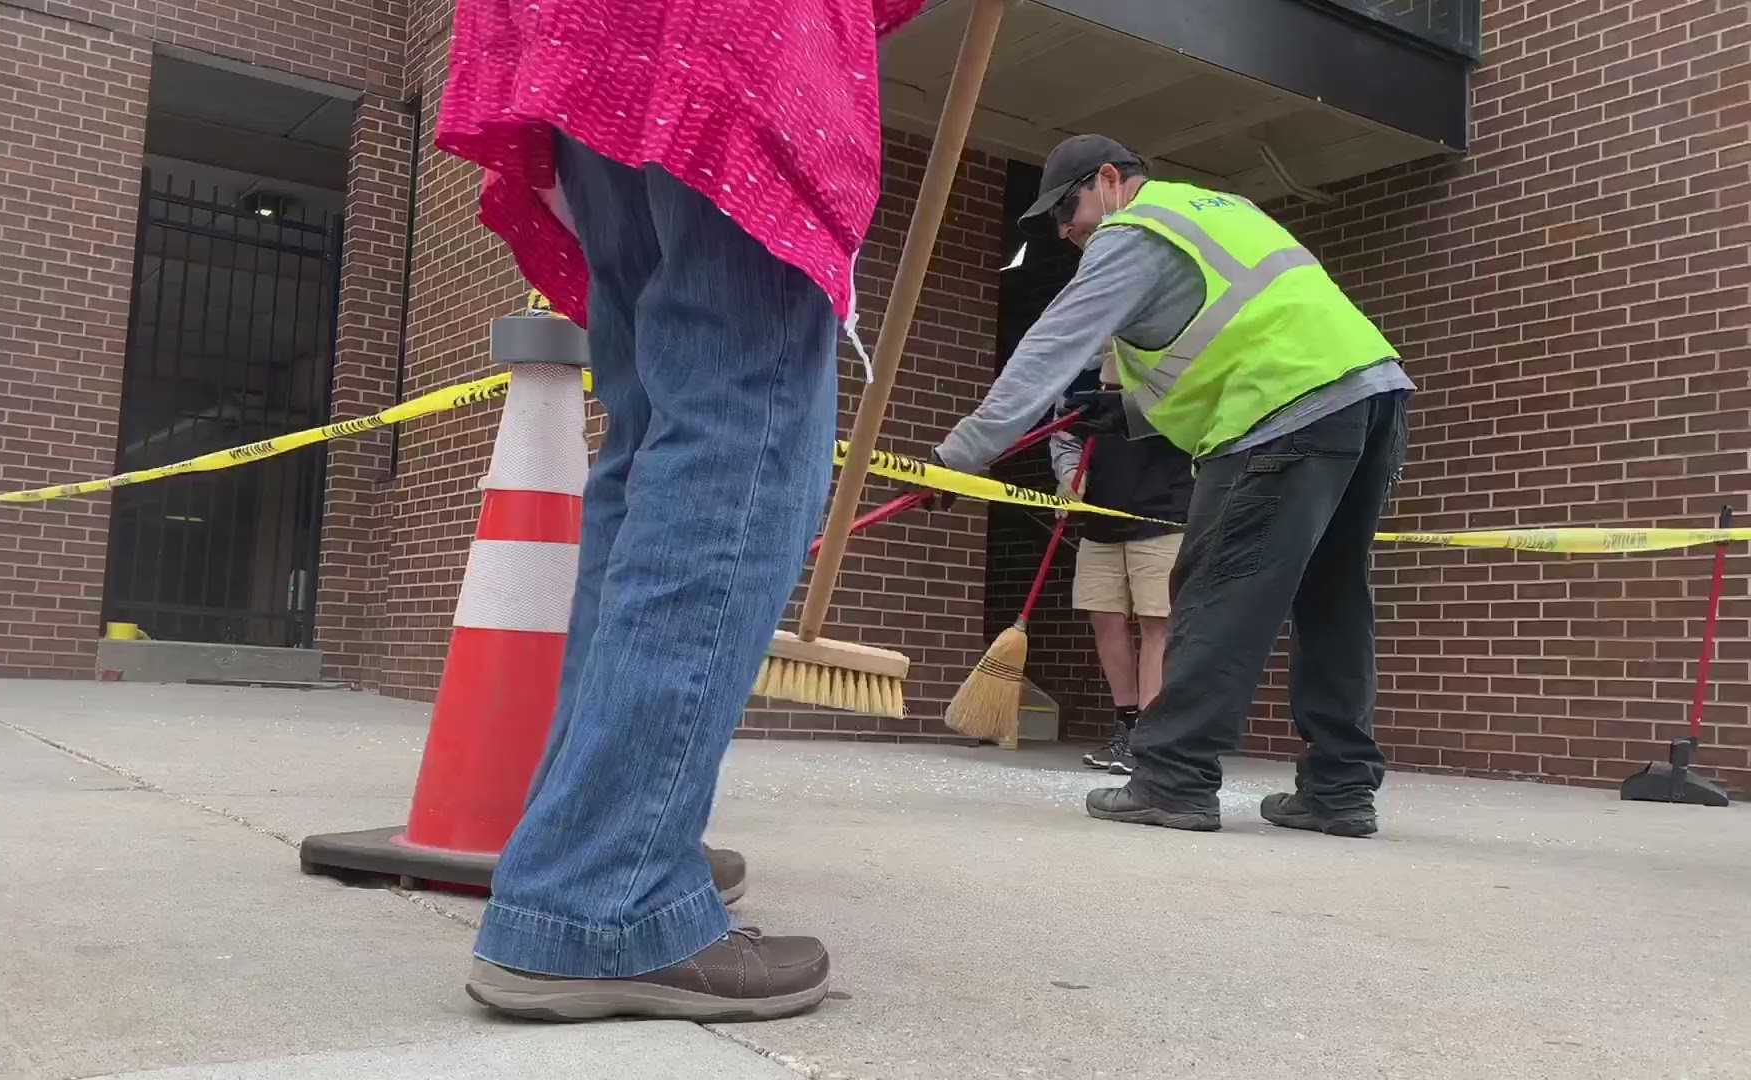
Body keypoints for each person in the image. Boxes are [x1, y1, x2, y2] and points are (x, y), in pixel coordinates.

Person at [436, 0, 926, 1022]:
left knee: (658, 425)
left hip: (594, 26)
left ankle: (591, 834)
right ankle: (601, 894)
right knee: (737, 420)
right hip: (728, 25)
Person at [934, 134, 1412, 837]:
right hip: (1368, 397)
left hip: (1278, 410)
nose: (1065, 230)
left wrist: (962, 454)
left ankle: (1174, 777)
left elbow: (1049, 345)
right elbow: (1235, 330)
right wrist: (1124, 411)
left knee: (1217, 590)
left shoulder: (1131, 231)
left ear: (1108, 180)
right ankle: (1340, 791)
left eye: (1067, 208)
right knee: (1333, 600)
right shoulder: (1213, 210)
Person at [1048, 367, 1193, 775]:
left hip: (1165, 514)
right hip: (1101, 519)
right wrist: (1069, 477)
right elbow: (1064, 433)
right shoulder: (1080, 377)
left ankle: (1148, 736)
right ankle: (1126, 725)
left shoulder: (1168, 365)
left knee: (1156, 624)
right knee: (1104, 618)